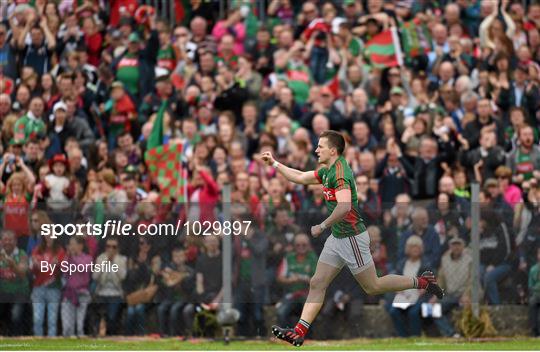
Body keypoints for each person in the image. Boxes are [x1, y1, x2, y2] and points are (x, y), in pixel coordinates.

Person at [260, 130, 443, 347]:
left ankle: (422, 282)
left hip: (352, 238)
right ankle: (299, 333)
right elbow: (300, 177)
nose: (316, 149)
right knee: (317, 282)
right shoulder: (327, 170)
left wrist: (322, 225)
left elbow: (345, 207)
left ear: (333, 150)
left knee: (372, 286)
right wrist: (274, 164)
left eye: (320, 146)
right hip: (338, 237)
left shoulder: (340, 174)